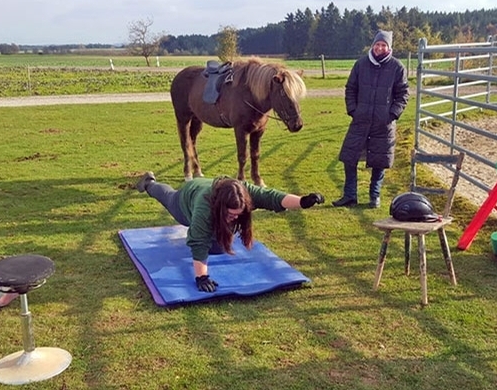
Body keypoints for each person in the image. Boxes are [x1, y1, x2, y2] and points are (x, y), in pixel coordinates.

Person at [136, 172, 324, 292]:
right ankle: (150, 183)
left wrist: (303, 201)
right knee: (168, 197)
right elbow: (198, 241)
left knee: (218, 249)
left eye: (238, 214)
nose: (235, 218)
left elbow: (272, 197)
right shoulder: (204, 207)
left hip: (211, 194)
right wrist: (201, 276)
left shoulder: (244, 192)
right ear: (220, 207)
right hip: (186, 199)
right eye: (231, 214)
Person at [332, 30, 410, 209]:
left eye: (383, 45)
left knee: (379, 161)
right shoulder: (361, 64)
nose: (380, 48)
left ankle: (374, 196)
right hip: (360, 120)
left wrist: (392, 115)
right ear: (373, 45)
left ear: (389, 47)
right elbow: (350, 88)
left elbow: (403, 94)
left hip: (384, 123)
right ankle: (350, 195)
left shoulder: (397, 67)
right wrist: (353, 110)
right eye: (377, 44)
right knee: (349, 157)